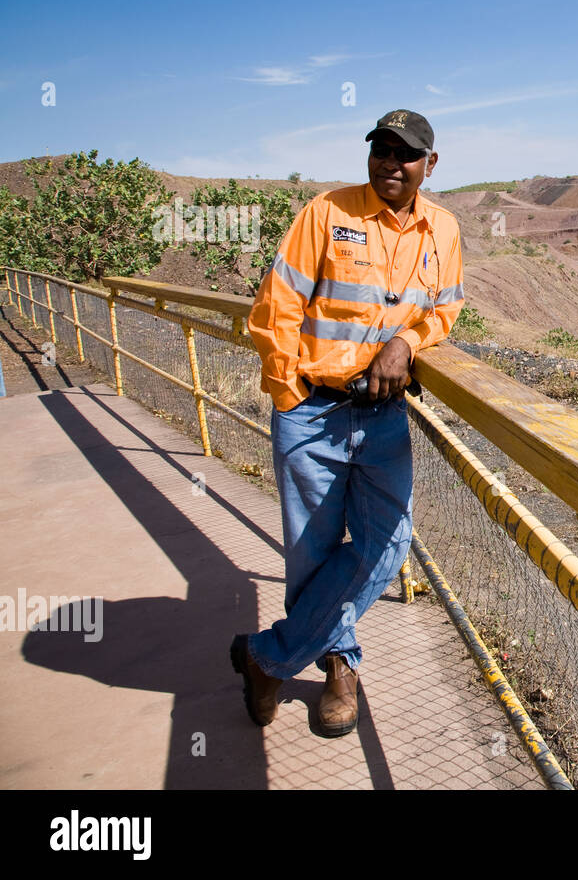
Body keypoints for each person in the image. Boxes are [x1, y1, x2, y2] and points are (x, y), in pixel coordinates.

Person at [231, 109, 464, 736]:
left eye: (406, 154)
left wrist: (407, 342)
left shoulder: (443, 228)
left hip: (382, 415)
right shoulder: (326, 213)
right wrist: (286, 391)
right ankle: (340, 666)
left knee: (384, 545)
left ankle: (268, 658)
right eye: (381, 150)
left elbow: (445, 310)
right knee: (311, 554)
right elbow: (276, 304)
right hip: (312, 410)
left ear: (429, 165)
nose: (391, 162)